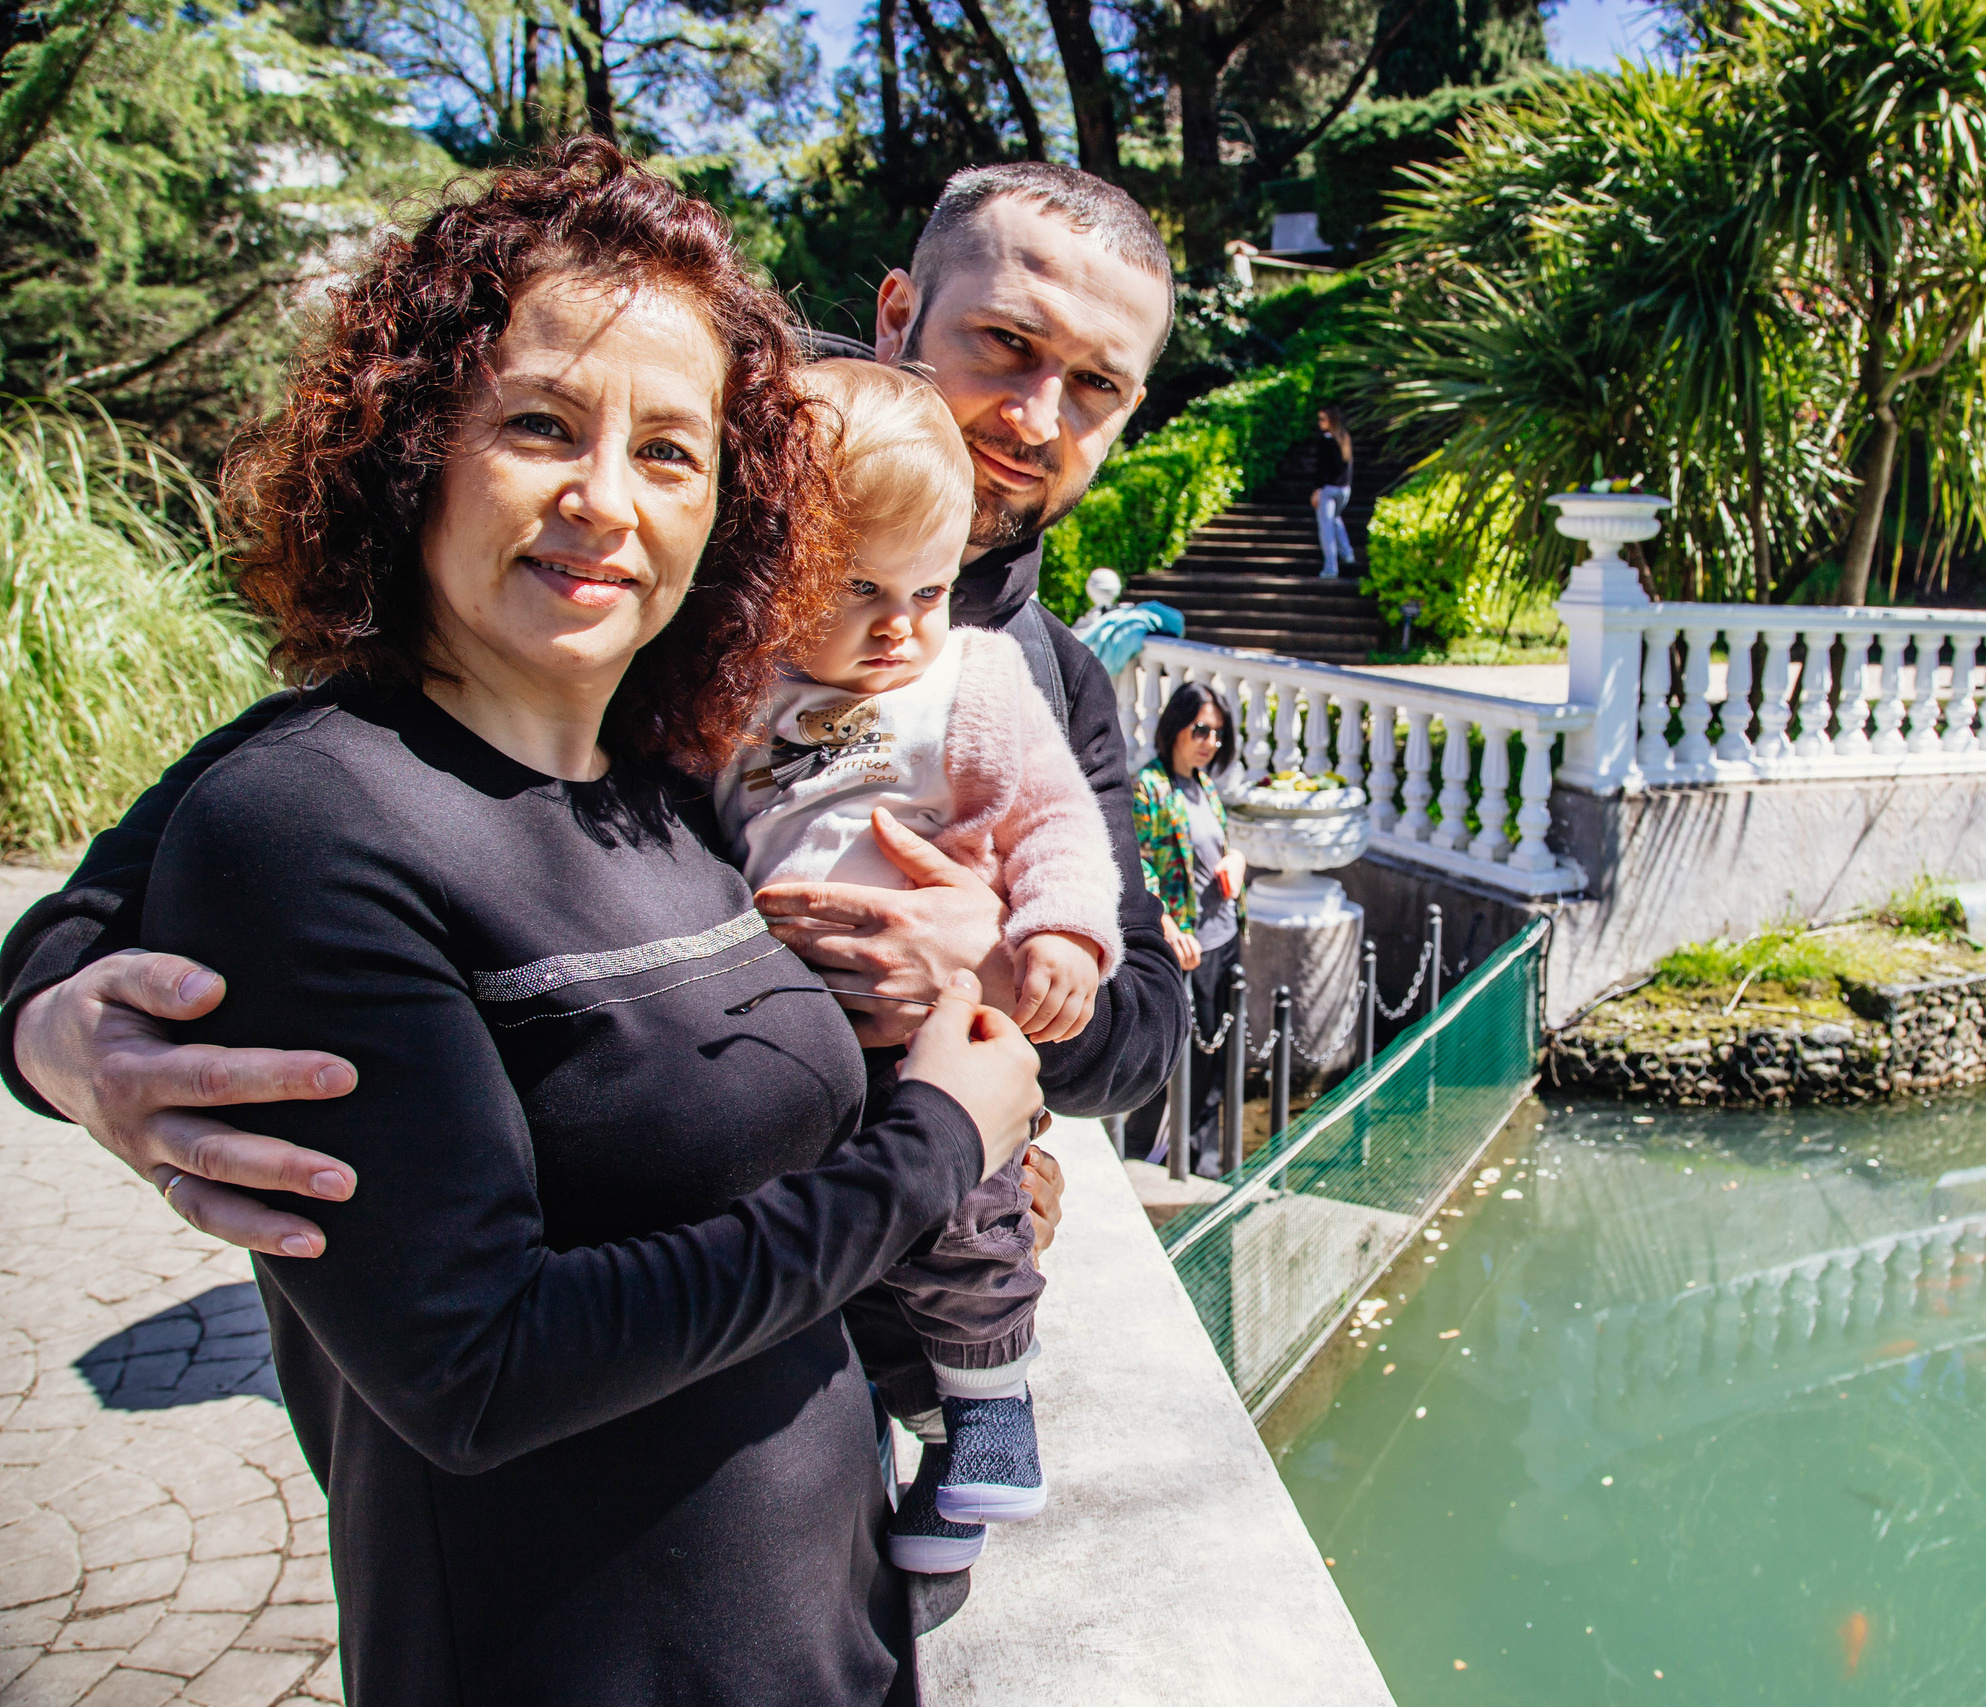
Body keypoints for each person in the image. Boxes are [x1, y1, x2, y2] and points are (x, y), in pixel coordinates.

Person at [0, 162, 1188, 1446]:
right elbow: (268, 795)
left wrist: (993, 981)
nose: (1035, 412)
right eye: (1005, 343)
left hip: (852, 1355)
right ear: (898, 313)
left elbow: (1142, 1027)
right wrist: (48, 1024)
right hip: (572, 1412)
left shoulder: (1045, 675)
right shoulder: (671, 539)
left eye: (1096, 387)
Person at [127, 141, 1045, 1704]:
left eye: (673, 453)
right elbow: (477, 1366)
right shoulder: (307, 820)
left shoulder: (664, 784)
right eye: (542, 422)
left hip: (828, 1631)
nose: (603, 499)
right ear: (411, 445)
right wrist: (936, 1151)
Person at [715, 358, 1124, 1573]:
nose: (900, 626)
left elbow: (1057, 820)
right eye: (859, 590)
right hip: (788, 1036)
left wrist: (1053, 937)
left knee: (964, 1222)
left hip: (938, 1036)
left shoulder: (974, 683)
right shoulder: (730, 691)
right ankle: (936, 1447)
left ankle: (992, 1412)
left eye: (930, 590)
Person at [1126, 681, 1246, 1168]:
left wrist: (1236, 858)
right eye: (1201, 730)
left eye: (1217, 734)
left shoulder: (1204, 786)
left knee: (1215, 1061)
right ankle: (1145, 1156)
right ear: (1175, 727)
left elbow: (1219, 846)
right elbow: (1137, 865)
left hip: (1224, 939)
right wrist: (1167, 926)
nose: (1210, 743)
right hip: (1184, 945)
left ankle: (1205, 1159)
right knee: (1173, 1057)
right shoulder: (1149, 787)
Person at [1310, 404, 1355, 579]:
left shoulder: (1327, 440)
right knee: (1334, 519)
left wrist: (1317, 490)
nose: (1320, 422)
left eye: (1323, 419)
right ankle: (1347, 553)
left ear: (1331, 421)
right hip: (1344, 489)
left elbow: (1322, 469)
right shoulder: (1344, 438)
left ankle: (1331, 568)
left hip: (1328, 489)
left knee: (1326, 528)